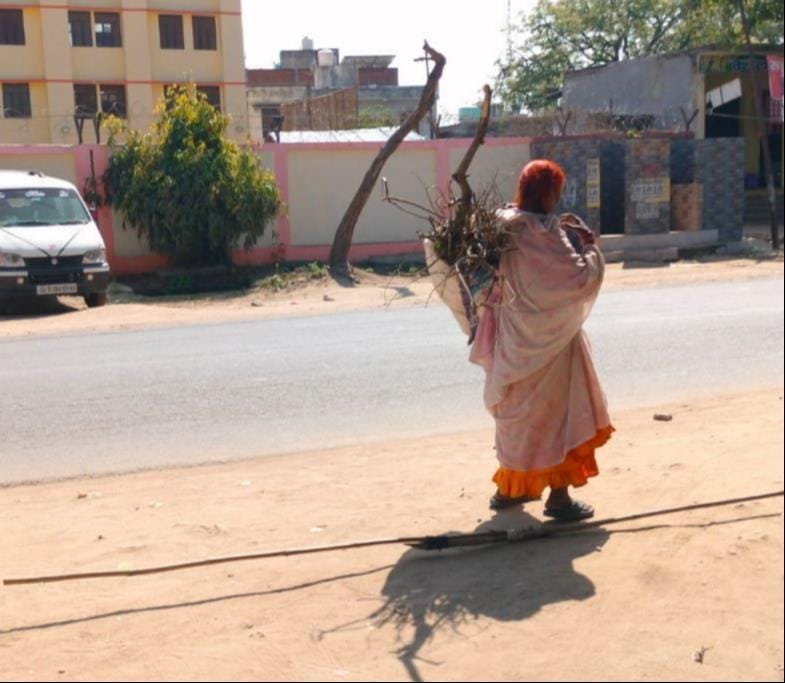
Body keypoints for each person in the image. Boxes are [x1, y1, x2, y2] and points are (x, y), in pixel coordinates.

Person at [469, 159, 613, 521]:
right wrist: (590, 244)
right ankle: (559, 499)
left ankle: (508, 491)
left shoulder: (501, 227)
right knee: (557, 420)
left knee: (517, 420)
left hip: (513, 345)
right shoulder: (551, 234)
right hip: (554, 350)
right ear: (550, 194)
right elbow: (580, 280)